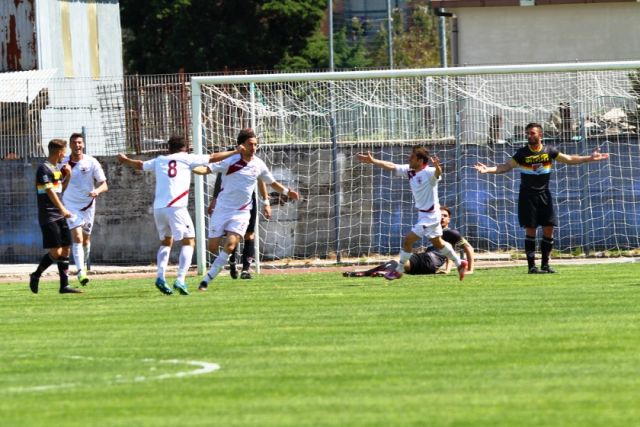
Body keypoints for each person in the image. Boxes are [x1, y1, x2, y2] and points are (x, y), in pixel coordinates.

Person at [474, 122, 609, 274]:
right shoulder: (522, 153)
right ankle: (532, 267)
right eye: (527, 133)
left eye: (532, 133)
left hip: (545, 194)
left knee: (549, 229)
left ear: (540, 134)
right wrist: (488, 170)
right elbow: (505, 167)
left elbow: (570, 159)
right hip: (527, 196)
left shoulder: (549, 151)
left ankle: (545, 265)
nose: (529, 136)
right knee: (530, 230)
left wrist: (590, 158)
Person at [117, 135, 241, 295]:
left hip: (159, 208)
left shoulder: (160, 159)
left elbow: (140, 165)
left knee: (166, 242)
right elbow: (211, 157)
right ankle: (180, 280)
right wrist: (234, 152)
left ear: (169, 148)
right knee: (189, 241)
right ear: (186, 147)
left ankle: (160, 277)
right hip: (176, 207)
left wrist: (125, 159)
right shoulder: (187, 158)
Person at [193, 128, 299, 291]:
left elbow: (271, 182)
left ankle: (206, 281)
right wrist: (191, 169)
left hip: (242, 211)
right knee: (212, 248)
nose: (254, 148)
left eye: (256, 144)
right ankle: (226, 262)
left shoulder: (258, 163)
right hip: (222, 209)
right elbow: (207, 169)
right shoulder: (231, 160)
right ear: (241, 145)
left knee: (230, 245)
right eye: (250, 144)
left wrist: (286, 192)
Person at [356, 147, 468, 281]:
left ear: (420, 160)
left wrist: (438, 167)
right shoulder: (409, 170)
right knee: (438, 243)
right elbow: (391, 166)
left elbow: (437, 173)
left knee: (408, 240)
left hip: (430, 216)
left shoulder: (429, 172)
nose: (409, 159)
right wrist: (373, 161)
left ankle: (399, 270)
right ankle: (459, 263)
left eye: (412, 157)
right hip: (425, 215)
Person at [343, 206, 474, 277]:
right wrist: (447, 269)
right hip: (428, 262)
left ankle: (365, 273)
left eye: (445, 216)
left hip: (429, 261)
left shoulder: (451, 233)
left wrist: (471, 270)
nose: (442, 218)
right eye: (439, 215)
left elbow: (469, 248)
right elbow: (448, 253)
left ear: (449, 219)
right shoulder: (433, 232)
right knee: (395, 261)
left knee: (395, 262)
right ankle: (378, 272)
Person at [29, 139, 83, 294]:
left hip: (59, 214)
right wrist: (63, 209)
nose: (64, 155)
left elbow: (60, 190)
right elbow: (50, 192)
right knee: (56, 252)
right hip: (49, 216)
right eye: (64, 152)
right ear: (60, 152)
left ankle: (64, 286)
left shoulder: (56, 169)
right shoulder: (43, 169)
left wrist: (69, 176)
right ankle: (36, 275)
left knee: (66, 249)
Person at [60, 133, 108, 286]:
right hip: (70, 206)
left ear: (83, 144)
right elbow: (58, 184)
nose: (77, 145)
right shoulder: (63, 163)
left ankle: (84, 265)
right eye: (74, 143)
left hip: (88, 206)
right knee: (78, 238)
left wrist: (96, 191)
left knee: (86, 240)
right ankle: (81, 273)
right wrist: (65, 174)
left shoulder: (91, 162)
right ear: (70, 145)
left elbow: (104, 184)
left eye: (80, 142)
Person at [208, 164, 271, 279]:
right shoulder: (230, 159)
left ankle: (245, 270)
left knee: (249, 235)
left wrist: (266, 202)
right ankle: (232, 262)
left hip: (248, 201)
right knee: (232, 234)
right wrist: (214, 199)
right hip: (229, 202)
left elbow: (261, 179)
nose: (253, 148)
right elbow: (219, 179)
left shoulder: (254, 162)